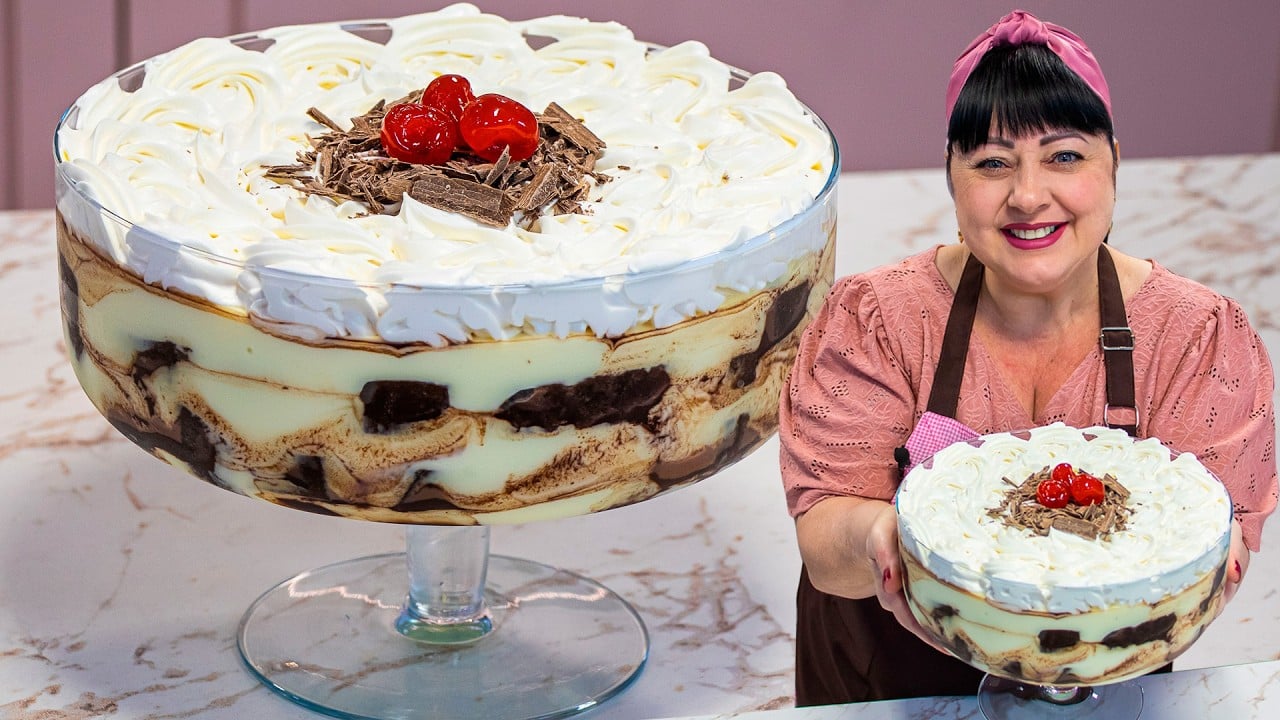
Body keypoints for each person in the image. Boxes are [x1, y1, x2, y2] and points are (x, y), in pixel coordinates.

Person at [778, 9, 1278, 706]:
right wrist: (891, 542)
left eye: (1065, 155)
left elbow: (1216, 546)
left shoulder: (1199, 337)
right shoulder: (877, 320)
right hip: (887, 684)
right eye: (992, 163)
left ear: (1114, 165)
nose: (1028, 195)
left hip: (1108, 689)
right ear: (952, 180)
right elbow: (826, 547)